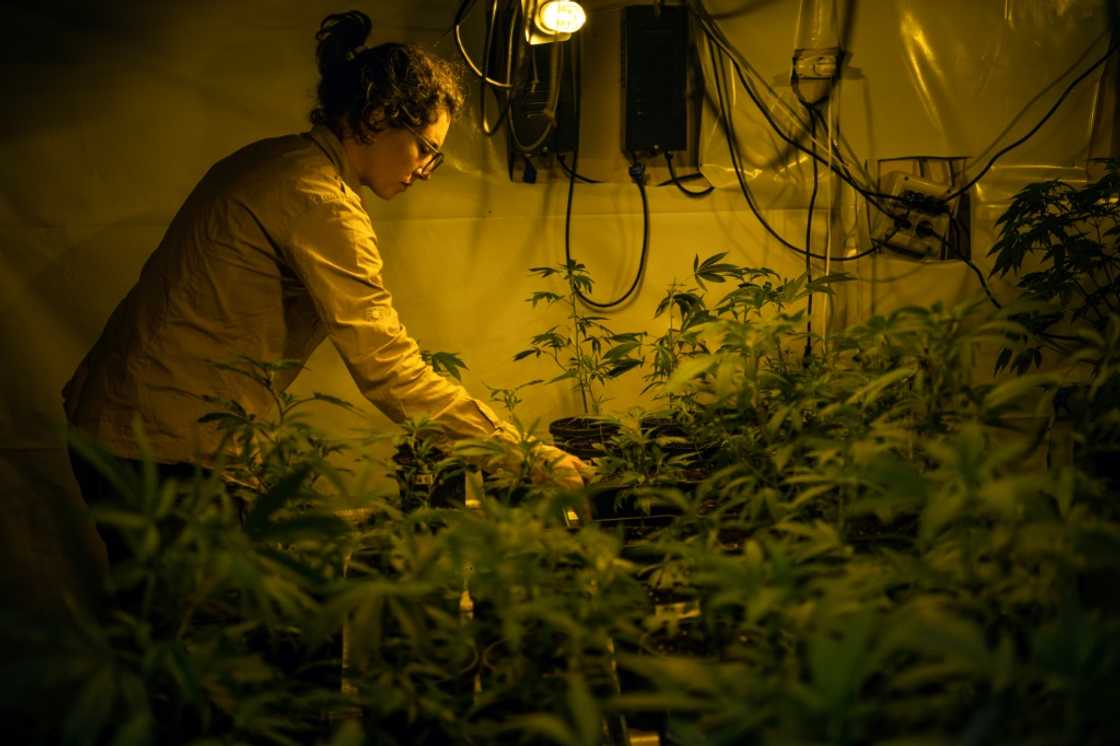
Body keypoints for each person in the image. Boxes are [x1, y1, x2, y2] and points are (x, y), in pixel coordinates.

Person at [63, 10, 589, 561]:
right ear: (379, 116)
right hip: (162, 448)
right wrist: (524, 455)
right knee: (199, 625)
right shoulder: (319, 201)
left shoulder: (275, 159)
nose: (427, 170)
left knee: (170, 620)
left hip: (124, 424)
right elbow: (386, 366)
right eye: (426, 148)